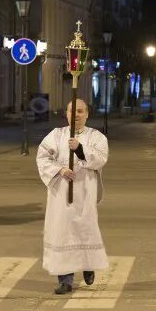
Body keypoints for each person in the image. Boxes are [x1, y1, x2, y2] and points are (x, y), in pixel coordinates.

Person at [37, 98, 109, 295]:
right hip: (61, 194)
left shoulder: (96, 137)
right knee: (63, 233)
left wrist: (79, 149)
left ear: (87, 114)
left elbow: (101, 158)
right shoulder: (55, 135)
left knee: (84, 230)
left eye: (80, 111)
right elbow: (42, 158)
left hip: (84, 192)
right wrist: (59, 170)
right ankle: (65, 279)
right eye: (72, 111)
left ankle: (88, 265)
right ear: (66, 114)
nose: (76, 115)